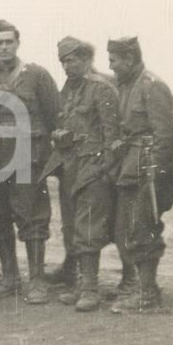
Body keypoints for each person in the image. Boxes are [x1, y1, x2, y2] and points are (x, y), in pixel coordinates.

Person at [0, 20, 60, 304]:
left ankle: (36, 280)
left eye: (9, 41)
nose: (4, 47)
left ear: (18, 42)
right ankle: (10, 277)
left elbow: (53, 115)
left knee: (32, 215)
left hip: (28, 158)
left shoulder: (36, 75)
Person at [44, 37, 119, 312]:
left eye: (72, 59)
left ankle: (90, 288)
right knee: (73, 227)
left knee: (89, 228)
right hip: (71, 167)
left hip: (93, 168)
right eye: (63, 61)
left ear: (87, 59)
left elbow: (113, 136)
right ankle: (78, 285)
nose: (66, 65)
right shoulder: (68, 89)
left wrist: (103, 171)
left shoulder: (101, 89)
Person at [107, 37, 173, 314]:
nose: (110, 66)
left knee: (142, 229)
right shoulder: (126, 86)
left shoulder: (152, 86)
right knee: (128, 229)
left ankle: (148, 295)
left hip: (149, 171)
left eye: (114, 60)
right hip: (131, 168)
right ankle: (144, 288)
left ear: (128, 59)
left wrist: (156, 174)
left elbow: (167, 134)